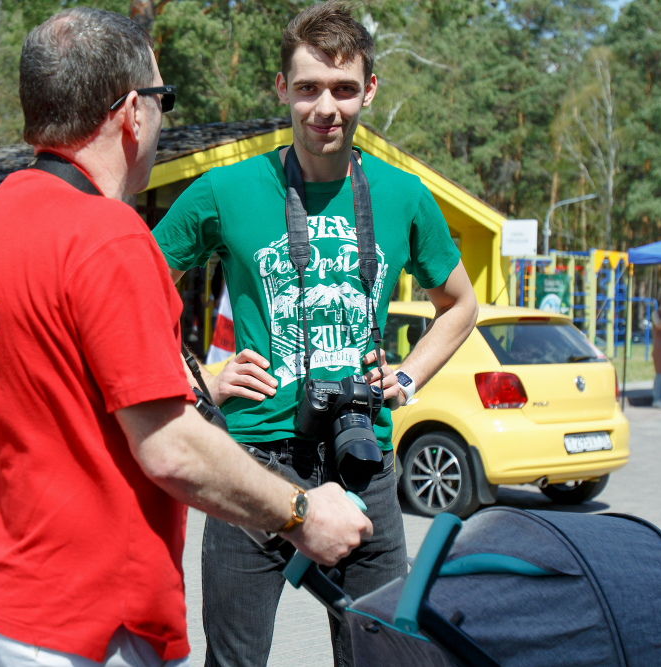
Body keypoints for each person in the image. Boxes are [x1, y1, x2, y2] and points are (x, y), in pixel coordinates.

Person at [0, 8, 370, 667]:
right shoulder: (107, 236)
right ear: (133, 113)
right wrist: (305, 514)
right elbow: (171, 450)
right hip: (84, 625)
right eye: (164, 101)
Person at [152, 3, 479, 665]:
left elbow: (460, 305)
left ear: (369, 90)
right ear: (281, 89)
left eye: (342, 88)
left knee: (385, 655)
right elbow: (130, 286)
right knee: (236, 660)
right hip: (251, 465)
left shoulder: (403, 195)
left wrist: (410, 375)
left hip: (363, 459)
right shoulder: (227, 189)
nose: (324, 107)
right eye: (307, 88)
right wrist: (200, 378)